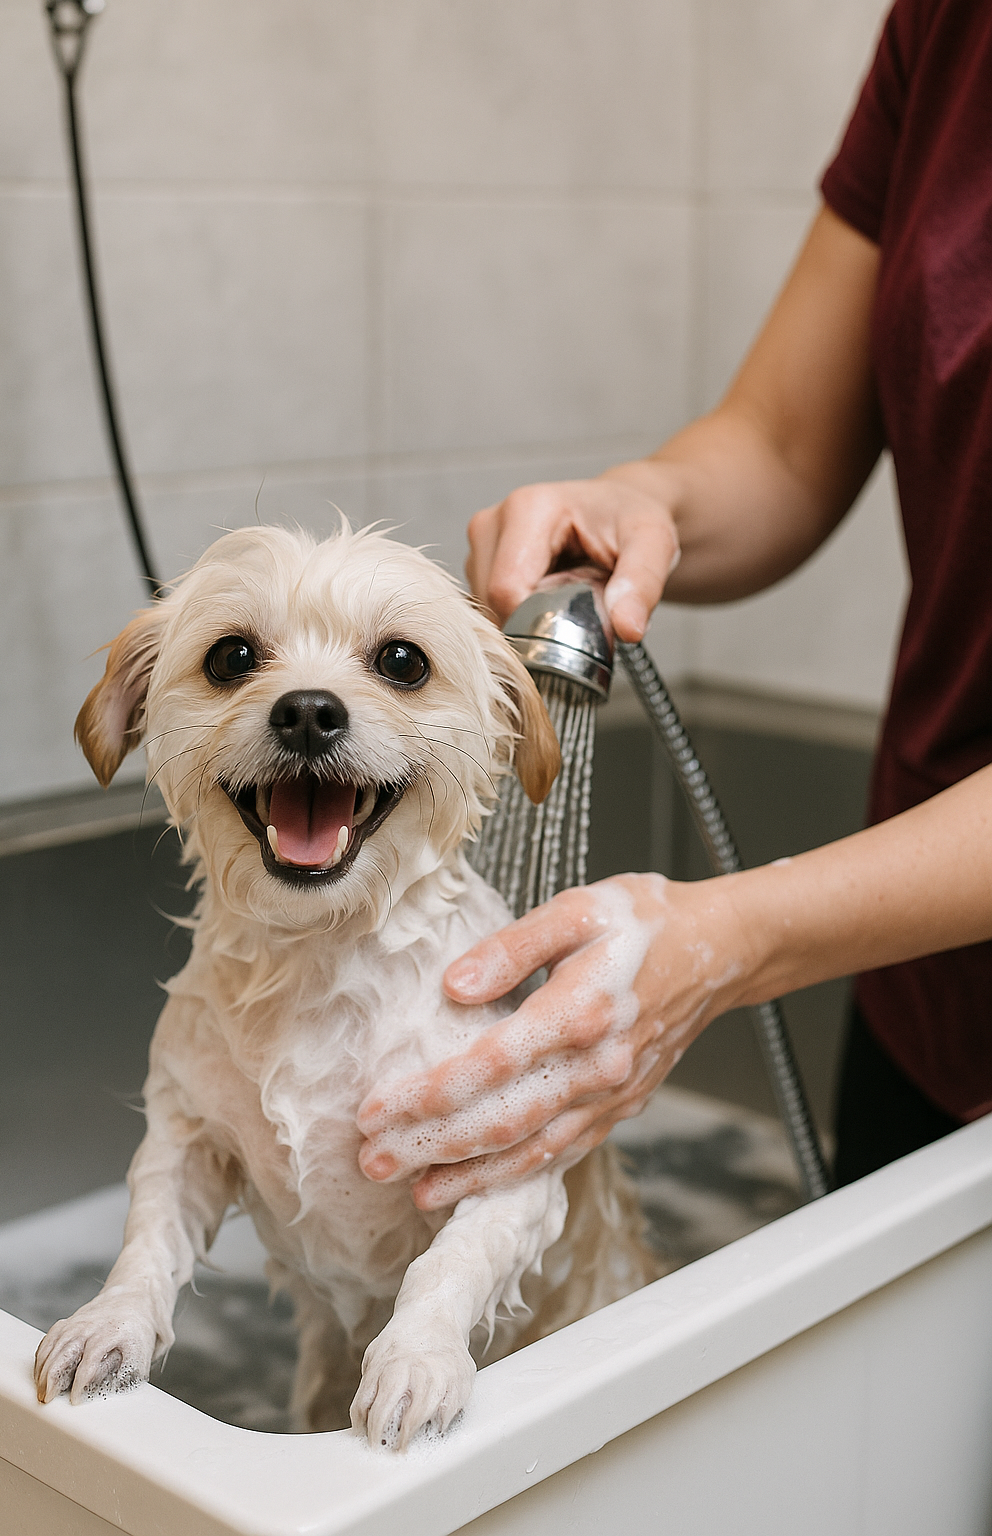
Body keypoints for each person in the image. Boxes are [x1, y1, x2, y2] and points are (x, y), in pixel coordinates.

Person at [357, 0, 992, 1209]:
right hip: (923, 985)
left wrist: (738, 938)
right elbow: (786, 441)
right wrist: (644, 502)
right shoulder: (946, 25)